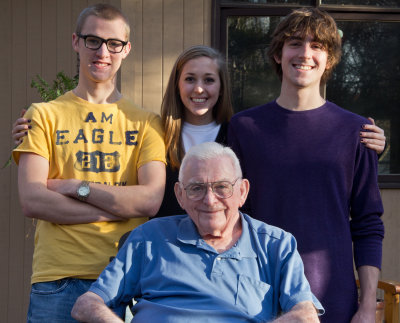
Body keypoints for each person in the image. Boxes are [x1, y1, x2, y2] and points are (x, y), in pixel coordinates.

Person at [12, 45, 386, 218]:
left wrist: (365, 145)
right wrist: (32, 130)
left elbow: (287, 158)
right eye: (190, 79)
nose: (199, 89)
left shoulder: (241, 133)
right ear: (177, 84)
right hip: (163, 263)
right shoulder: (155, 131)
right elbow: (105, 141)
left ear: (222, 86)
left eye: (209, 80)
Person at [228, 8, 384, 323]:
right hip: (254, 296)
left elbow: (367, 223)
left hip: (331, 298)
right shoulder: (244, 127)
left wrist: (367, 306)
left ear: (329, 59)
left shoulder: (356, 132)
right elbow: (226, 213)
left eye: (317, 46)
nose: (305, 54)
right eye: (295, 43)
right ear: (277, 53)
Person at [12, 4, 166, 322]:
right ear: (76, 41)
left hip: (125, 280)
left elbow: (150, 200)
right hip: (58, 280)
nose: (103, 52)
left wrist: (73, 186)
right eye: (92, 40)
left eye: (113, 44)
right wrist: (115, 207)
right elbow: (32, 199)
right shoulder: (42, 115)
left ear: (126, 50)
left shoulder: (147, 123)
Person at [71, 142, 324, 323]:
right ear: (180, 195)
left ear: (243, 191)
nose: (210, 200)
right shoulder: (148, 238)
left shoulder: (275, 244)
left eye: (222, 187)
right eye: (196, 189)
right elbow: (87, 304)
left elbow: (305, 314)